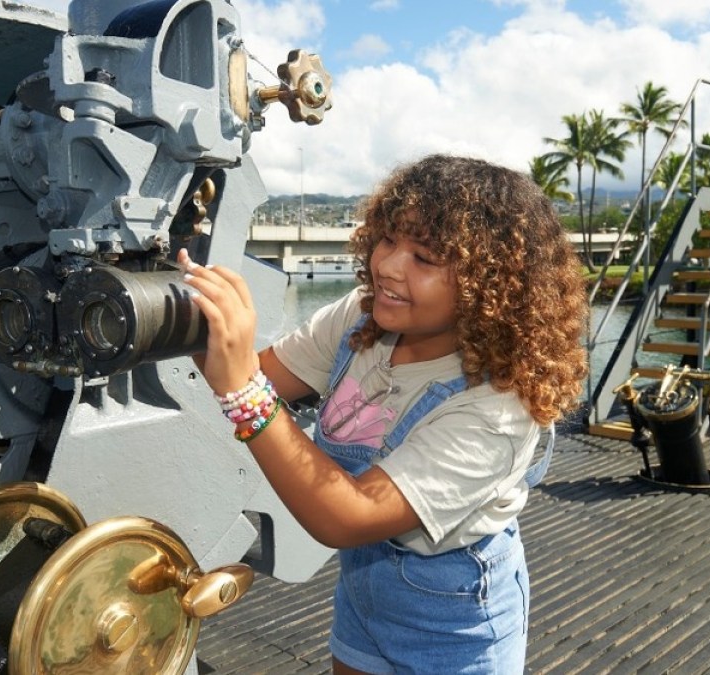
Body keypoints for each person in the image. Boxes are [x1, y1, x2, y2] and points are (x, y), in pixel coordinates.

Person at [179, 154, 588, 674]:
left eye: (425, 257)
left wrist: (243, 390)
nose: (389, 265)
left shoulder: (499, 407)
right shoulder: (362, 317)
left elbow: (346, 515)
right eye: (389, 239)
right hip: (365, 591)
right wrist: (199, 315)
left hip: (454, 616)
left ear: (491, 287)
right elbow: (256, 372)